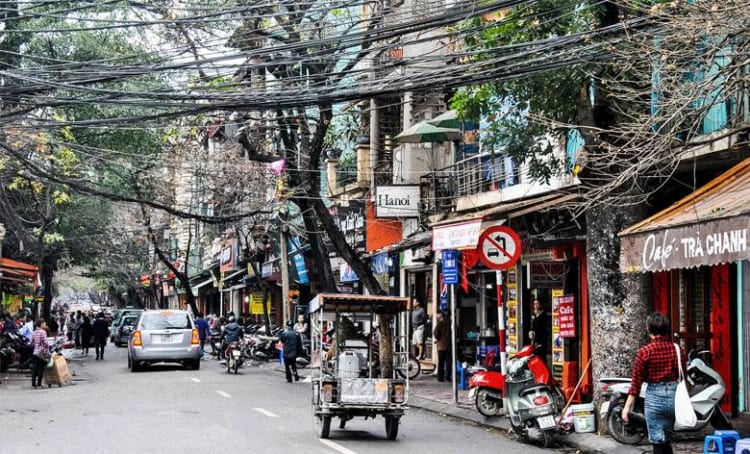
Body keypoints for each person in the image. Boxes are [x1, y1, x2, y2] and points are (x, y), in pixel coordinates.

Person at [622, 312, 682, 454]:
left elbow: (636, 384)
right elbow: (683, 376)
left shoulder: (644, 352)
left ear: (649, 330)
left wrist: (627, 407)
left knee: (657, 439)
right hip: (673, 397)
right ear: (666, 330)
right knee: (666, 438)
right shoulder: (677, 350)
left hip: (654, 397)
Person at [30, 319, 49, 389]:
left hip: (35, 352)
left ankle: (33, 384)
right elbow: (46, 342)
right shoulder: (43, 332)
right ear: (41, 324)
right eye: (44, 323)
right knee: (41, 368)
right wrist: (47, 349)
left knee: (35, 368)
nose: (45, 324)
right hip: (41, 352)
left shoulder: (34, 332)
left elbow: (31, 342)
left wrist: (36, 345)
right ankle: (39, 384)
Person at [433, 310, 451, 382]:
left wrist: (439, 339)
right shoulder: (452, 323)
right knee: (449, 362)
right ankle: (448, 377)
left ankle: (440, 378)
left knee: (441, 362)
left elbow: (435, 333)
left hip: (441, 346)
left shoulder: (440, 323)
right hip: (450, 345)